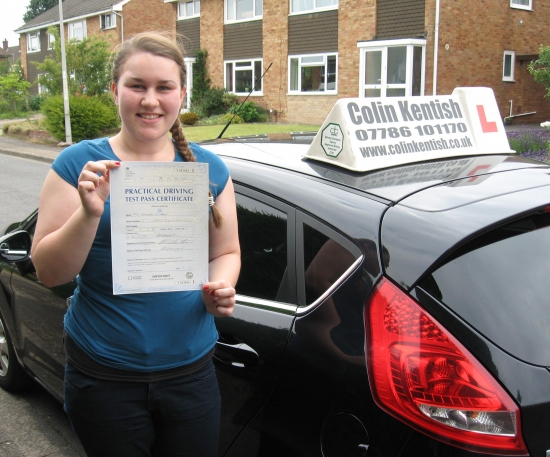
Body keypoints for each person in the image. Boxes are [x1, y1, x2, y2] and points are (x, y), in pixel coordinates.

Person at [30, 31, 241, 457]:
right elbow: (50, 272)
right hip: (103, 375)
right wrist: (89, 213)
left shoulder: (208, 168)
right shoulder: (78, 164)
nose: (150, 100)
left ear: (182, 93)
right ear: (114, 90)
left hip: (190, 371)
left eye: (164, 87)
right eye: (136, 86)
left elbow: (226, 252)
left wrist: (220, 286)